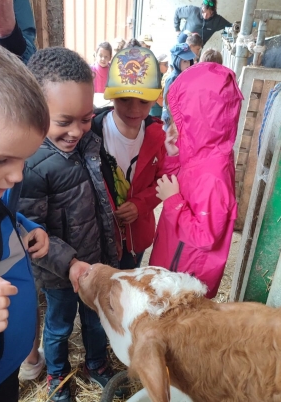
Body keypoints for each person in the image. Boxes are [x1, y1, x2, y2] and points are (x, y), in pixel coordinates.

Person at [18, 47, 120, 402]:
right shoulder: (30, 166)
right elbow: (31, 230)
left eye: (86, 118)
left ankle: (97, 364)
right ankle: (58, 377)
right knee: (59, 327)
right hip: (59, 272)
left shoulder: (90, 144)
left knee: (95, 319)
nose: (77, 130)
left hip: (95, 262)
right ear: (36, 110)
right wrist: (70, 263)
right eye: (65, 121)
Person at [0, 41, 49, 402]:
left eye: (23, 161)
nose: (15, 176)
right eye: (0, 160)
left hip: (4, 360)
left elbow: (1, 219)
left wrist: (26, 226)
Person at [150, 62, 243, 299]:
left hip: (186, 282)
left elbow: (205, 237)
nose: (171, 127)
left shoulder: (213, 177)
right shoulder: (201, 154)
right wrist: (174, 154)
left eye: (179, 121)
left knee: (177, 332)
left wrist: (172, 202)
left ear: (198, 120)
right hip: (174, 263)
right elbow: (183, 178)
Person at [91, 47, 166, 269]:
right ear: (112, 95)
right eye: (124, 99)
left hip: (136, 237)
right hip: (97, 237)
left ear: (154, 99)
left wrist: (141, 204)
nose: (134, 109)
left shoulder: (158, 137)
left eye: (143, 102)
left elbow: (165, 179)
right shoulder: (92, 133)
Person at [161, 43, 196, 130]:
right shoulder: (172, 79)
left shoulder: (187, 76)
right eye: (184, 61)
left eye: (189, 61)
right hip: (171, 120)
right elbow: (168, 102)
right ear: (176, 60)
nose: (188, 64)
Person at [150, 53, 169, 118]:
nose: (167, 66)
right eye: (165, 64)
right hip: (155, 113)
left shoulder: (163, 76)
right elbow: (157, 98)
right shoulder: (154, 77)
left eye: (168, 64)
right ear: (158, 64)